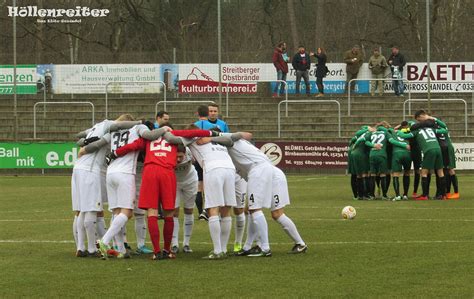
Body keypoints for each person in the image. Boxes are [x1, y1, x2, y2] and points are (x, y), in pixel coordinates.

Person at [105, 127, 219, 260]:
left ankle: (156, 251)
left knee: (152, 212)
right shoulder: (174, 134)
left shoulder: (149, 138)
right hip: (167, 171)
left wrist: (114, 154)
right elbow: (194, 132)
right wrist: (214, 133)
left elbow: (132, 146)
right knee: (169, 212)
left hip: (150, 171)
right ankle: (167, 250)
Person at [73, 117, 143, 257]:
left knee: (81, 210)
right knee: (92, 209)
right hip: (90, 170)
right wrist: (140, 123)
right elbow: (115, 129)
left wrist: (86, 141)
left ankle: (81, 247)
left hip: (78, 168)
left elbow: (79, 136)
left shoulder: (96, 126)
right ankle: (94, 248)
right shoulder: (109, 126)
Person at [397, 110, 448, 200]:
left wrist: (400, 131)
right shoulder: (432, 128)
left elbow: (403, 136)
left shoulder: (416, 131)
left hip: (429, 150)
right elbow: (444, 129)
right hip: (438, 149)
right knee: (440, 172)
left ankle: (425, 195)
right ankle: (443, 194)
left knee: (424, 172)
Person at [171, 148, 198, 254]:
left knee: (188, 210)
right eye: (176, 156)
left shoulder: (189, 150)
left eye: (180, 157)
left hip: (190, 180)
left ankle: (186, 244)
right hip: (174, 182)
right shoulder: (168, 152)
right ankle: (174, 244)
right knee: (174, 212)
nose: (178, 159)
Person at [390, 122, 412, 201]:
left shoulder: (392, 132)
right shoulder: (407, 131)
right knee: (407, 173)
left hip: (397, 153)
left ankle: (397, 195)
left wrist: (395, 127)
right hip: (407, 153)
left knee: (395, 174)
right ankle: (405, 195)